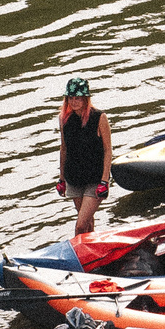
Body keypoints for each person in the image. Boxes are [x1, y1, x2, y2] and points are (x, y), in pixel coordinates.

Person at [55, 78, 113, 235]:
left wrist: (104, 181)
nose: (74, 102)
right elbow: (64, 148)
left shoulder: (99, 118)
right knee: (87, 222)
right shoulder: (64, 119)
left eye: (78, 98)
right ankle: (92, 254)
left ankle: (77, 256)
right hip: (74, 177)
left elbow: (108, 150)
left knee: (80, 225)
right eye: (71, 98)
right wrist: (61, 179)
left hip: (95, 178)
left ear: (85, 98)